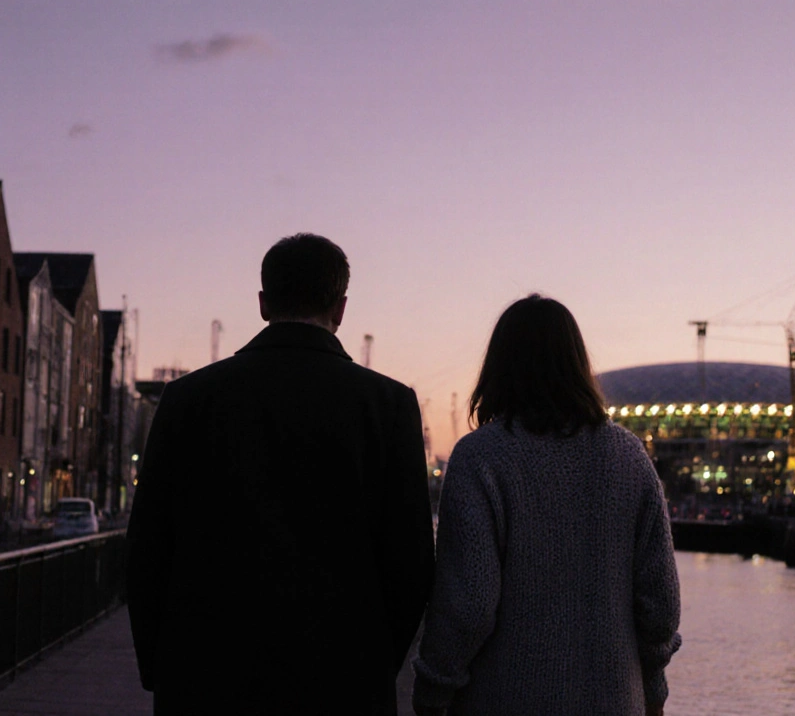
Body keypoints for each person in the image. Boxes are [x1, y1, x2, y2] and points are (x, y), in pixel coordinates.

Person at [127, 233, 435, 716]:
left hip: (205, 678)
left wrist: (161, 667)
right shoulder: (389, 406)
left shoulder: (187, 398)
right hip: (343, 680)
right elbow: (411, 563)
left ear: (264, 303)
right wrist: (374, 663)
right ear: (341, 307)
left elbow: (147, 549)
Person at [412, 294, 681, 716]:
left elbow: (469, 603)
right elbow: (660, 606)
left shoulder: (480, 458)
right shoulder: (629, 457)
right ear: (578, 364)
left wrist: (433, 691)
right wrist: (653, 688)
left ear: (498, 366)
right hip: (614, 700)